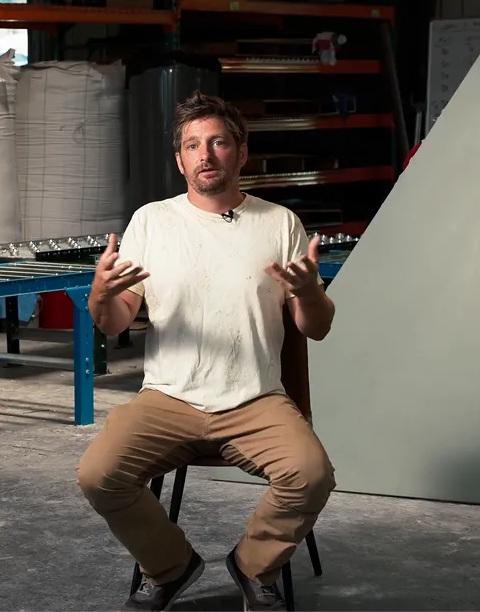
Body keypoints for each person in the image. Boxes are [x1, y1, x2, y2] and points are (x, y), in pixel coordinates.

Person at [76, 91, 338, 612]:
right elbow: (114, 321)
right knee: (98, 475)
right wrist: (100, 294)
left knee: (311, 476)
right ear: (180, 160)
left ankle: (252, 565)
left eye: (218, 142)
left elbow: (318, 329)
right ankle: (171, 566)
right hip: (168, 398)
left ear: (242, 152)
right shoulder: (151, 222)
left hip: (254, 398)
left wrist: (309, 293)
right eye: (193, 145)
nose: (205, 154)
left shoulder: (279, 223)